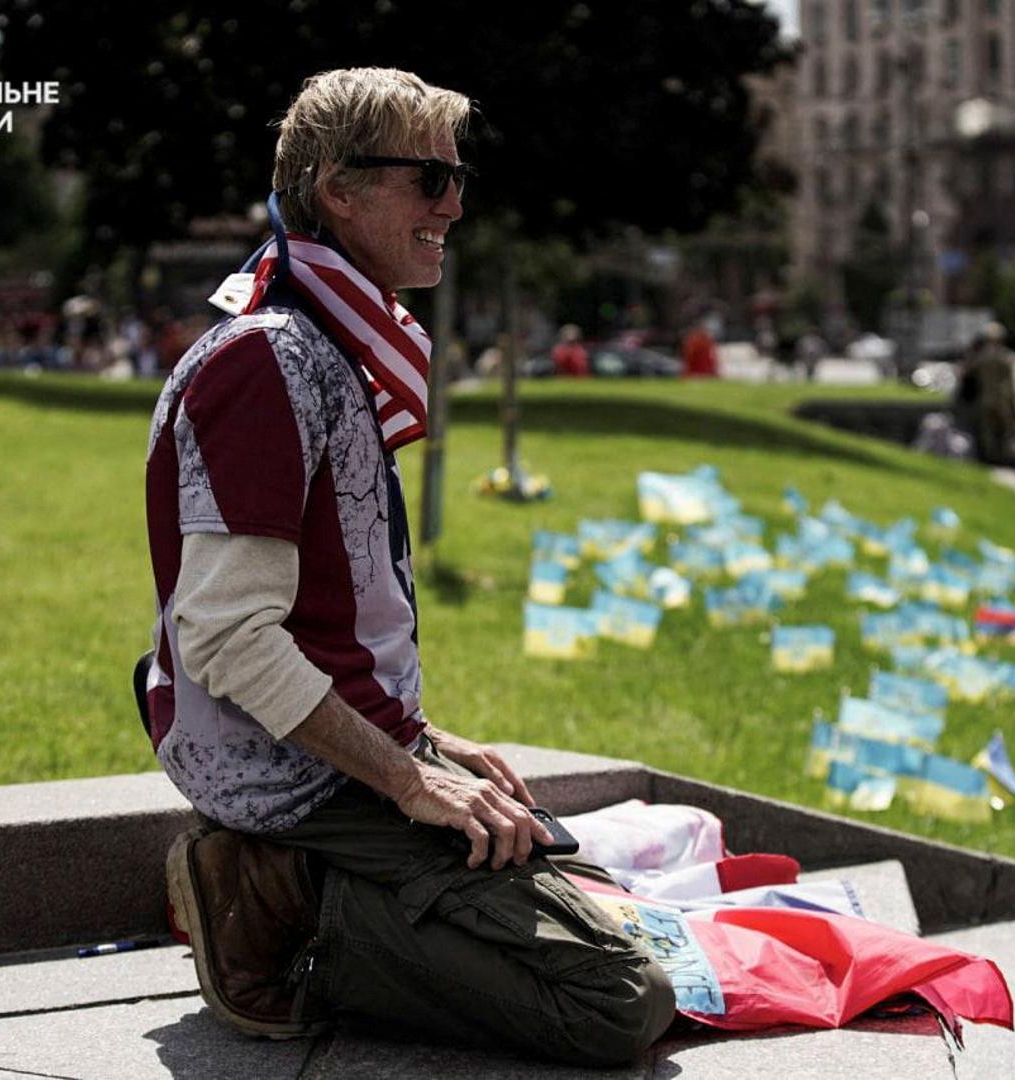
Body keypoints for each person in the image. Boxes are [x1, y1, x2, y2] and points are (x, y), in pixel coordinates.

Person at [142, 68, 673, 1064]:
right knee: (615, 996)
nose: (454, 204)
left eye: (456, 176)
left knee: (595, 899)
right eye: (428, 178)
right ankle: (273, 911)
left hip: (335, 756)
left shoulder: (326, 349)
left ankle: (328, 888)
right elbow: (225, 634)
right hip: (285, 775)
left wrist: (426, 741)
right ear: (337, 188)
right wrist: (408, 780)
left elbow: (329, 611)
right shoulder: (268, 361)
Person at [973, 322, 1015, 466]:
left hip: (988, 397)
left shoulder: (982, 356)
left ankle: (991, 456)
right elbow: (1011, 382)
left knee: (990, 429)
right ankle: (1000, 457)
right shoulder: (1004, 356)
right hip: (1000, 398)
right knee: (1004, 429)